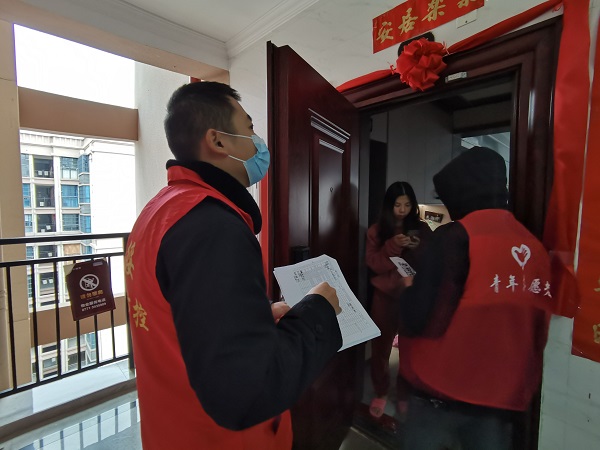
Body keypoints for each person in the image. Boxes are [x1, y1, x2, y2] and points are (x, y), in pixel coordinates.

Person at [125, 81, 343, 450]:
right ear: (218, 140)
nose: (258, 141)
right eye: (249, 127)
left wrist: (256, 317)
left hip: (173, 427)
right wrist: (318, 309)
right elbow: (248, 390)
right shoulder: (212, 226)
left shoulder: (161, 210)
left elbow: (188, 319)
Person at [398, 147, 555, 450]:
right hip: (501, 398)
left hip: (440, 392)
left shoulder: (453, 239)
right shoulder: (533, 247)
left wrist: (408, 287)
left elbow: (418, 317)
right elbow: (538, 330)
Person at [365, 181, 432, 419]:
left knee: (410, 347)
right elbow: (374, 264)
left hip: (411, 295)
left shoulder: (422, 229)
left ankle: (404, 394)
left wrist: (419, 246)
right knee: (380, 348)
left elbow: (431, 262)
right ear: (389, 206)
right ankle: (381, 391)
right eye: (397, 205)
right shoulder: (377, 231)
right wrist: (392, 246)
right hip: (384, 296)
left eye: (407, 205)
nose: (402, 210)